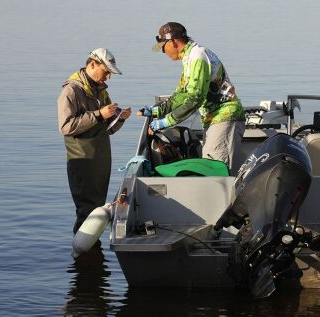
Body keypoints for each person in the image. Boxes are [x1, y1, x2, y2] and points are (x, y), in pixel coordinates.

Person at [138, 22, 245, 175]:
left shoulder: (197, 57)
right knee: (209, 167)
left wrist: (165, 122)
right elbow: (181, 95)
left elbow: (195, 98)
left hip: (225, 116)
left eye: (163, 46)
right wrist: (156, 111)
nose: (163, 51)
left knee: (214, 171)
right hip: (214, 118)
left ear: (173, 42)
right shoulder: (189, 58)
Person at [58, 48, 131, 234]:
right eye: (106, 72)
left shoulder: (101, 92)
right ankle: (83, 253)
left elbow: (109, 129)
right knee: (86, 210)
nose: (108, 77)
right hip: (83, 160)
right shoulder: (71, 90)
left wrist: (120, 118)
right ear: (92, 64)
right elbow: (65, 127)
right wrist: (99, 114)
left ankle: (91, 251)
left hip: (100, 159)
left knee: (96, 207)